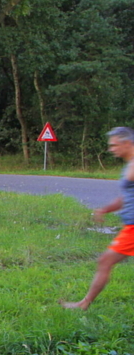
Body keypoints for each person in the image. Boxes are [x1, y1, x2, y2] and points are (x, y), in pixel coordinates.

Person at [61, 126, 134, 310]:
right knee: (105, 261)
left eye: (114, 145)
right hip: (130, 226)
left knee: (105, 260)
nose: (111, 149)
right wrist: (105, 210)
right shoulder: (129, 164)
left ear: (126, 143)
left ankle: (84, 304)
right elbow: (125, 197)